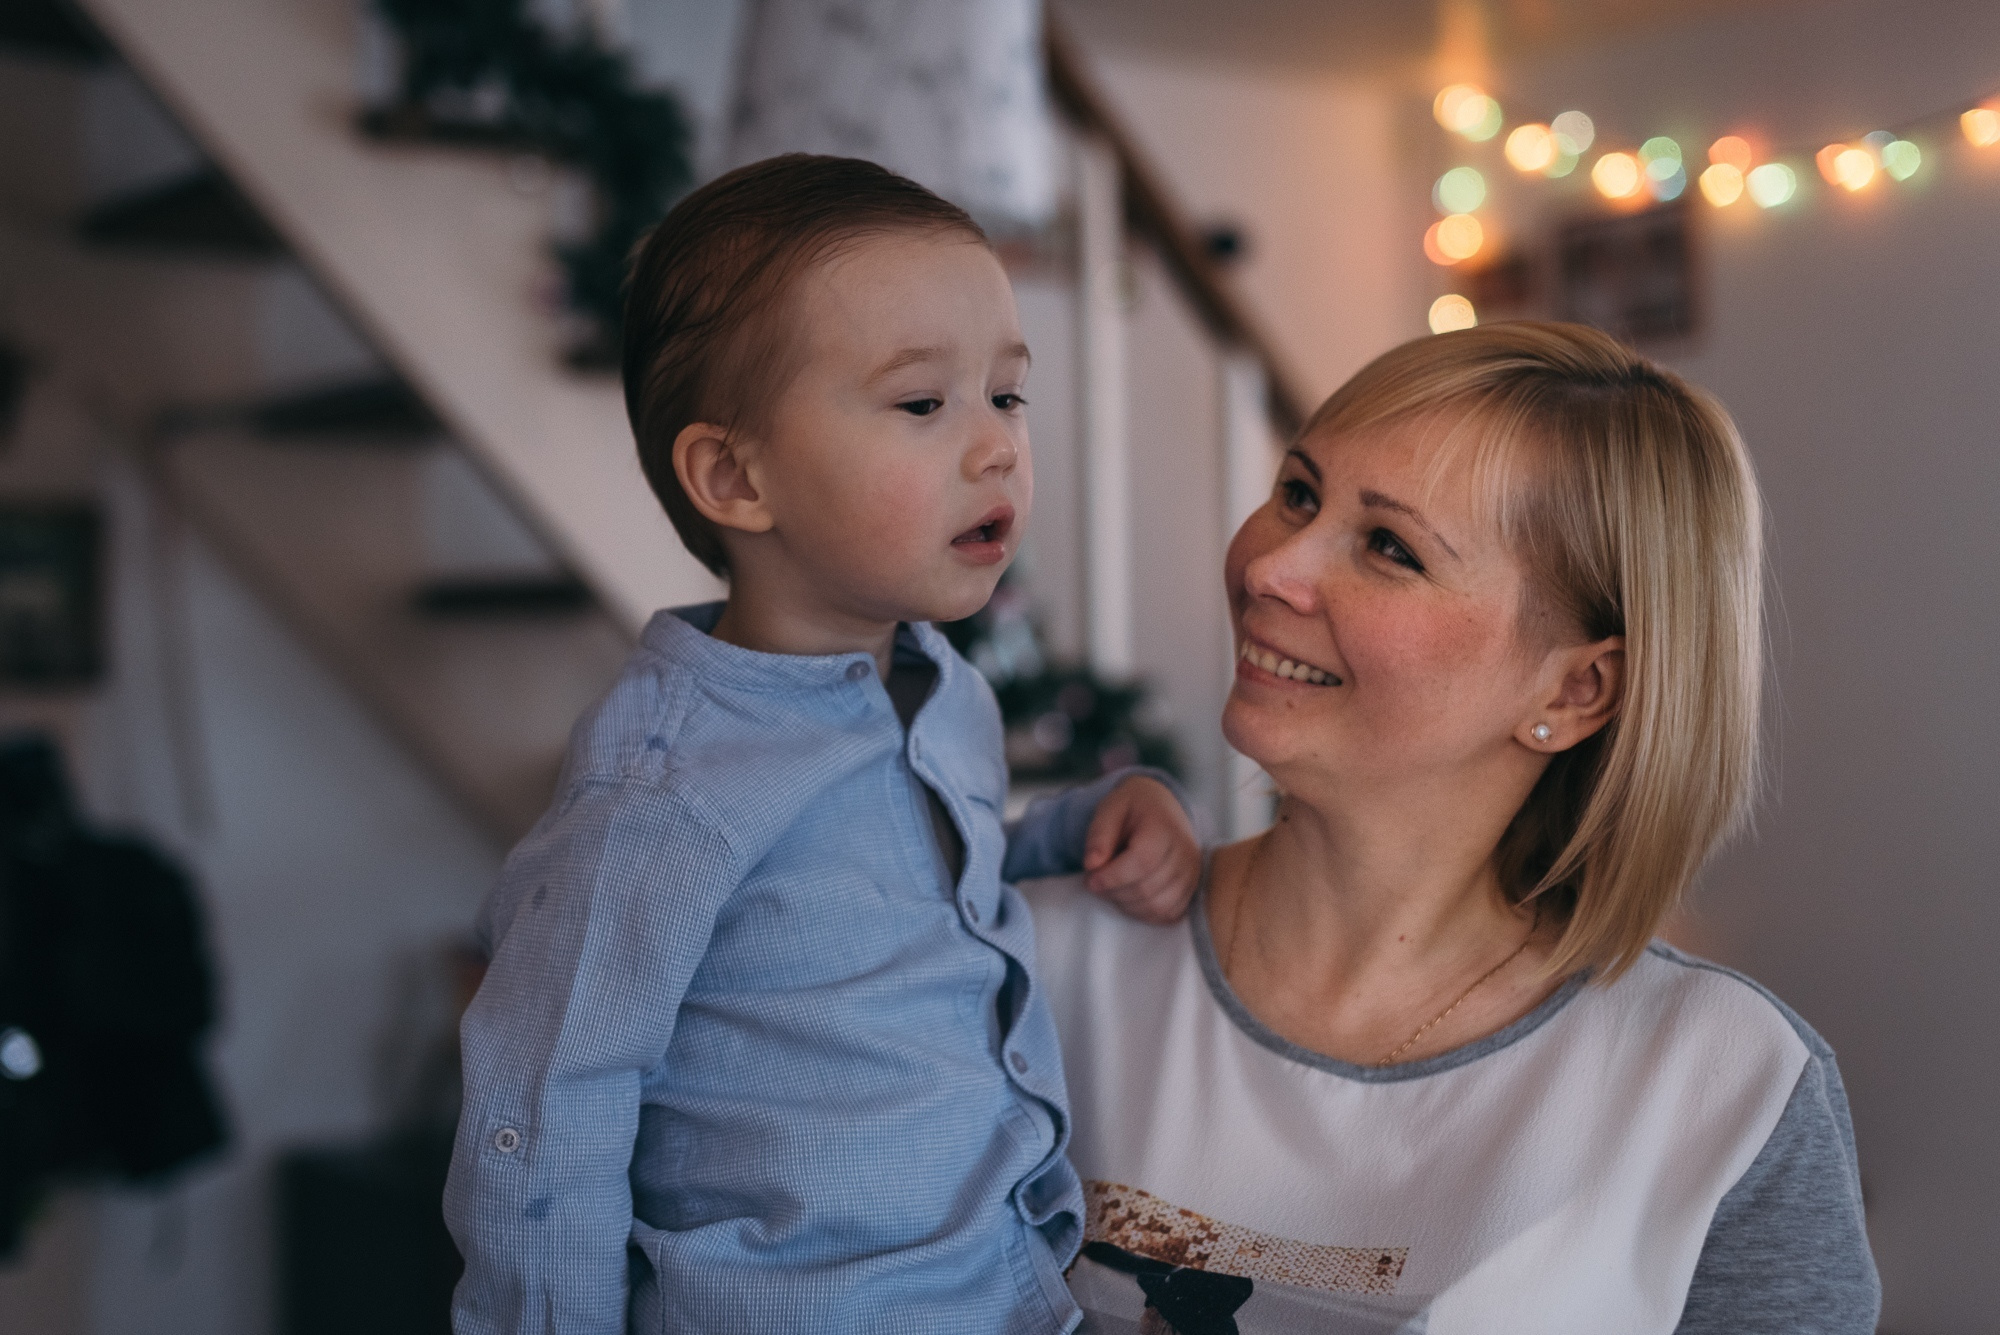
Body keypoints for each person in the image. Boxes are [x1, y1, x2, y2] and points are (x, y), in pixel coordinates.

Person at [444, 155, 1202, 1334]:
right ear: (736, 477)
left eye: (1005, 395)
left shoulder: (943, 691)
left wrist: (1084, 825)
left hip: (1004, 1294)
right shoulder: (665, 782)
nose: (997, 446)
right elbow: (542, 1100)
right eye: (921, 403)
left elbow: (914, 883)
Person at [1028, 323, 1881, 1334]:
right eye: (1297, 492)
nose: (1271, 567)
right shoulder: (1031, 963)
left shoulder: (1721, 1086)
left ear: (1575, 689)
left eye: (1388, 548)